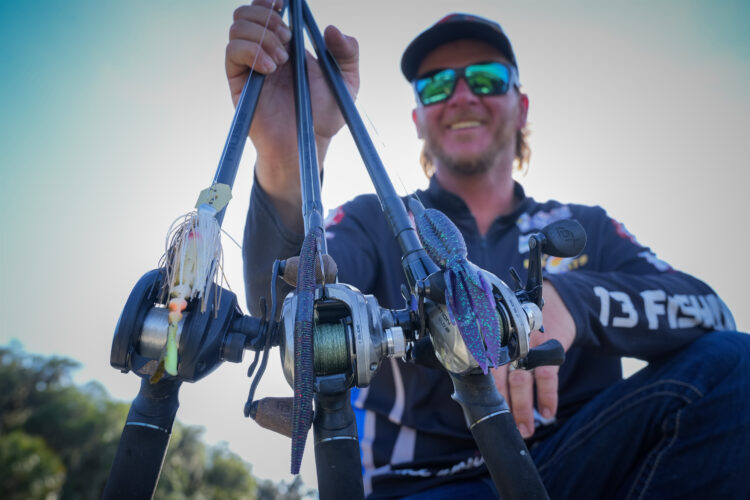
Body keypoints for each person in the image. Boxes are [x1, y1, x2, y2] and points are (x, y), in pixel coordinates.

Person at [226, 1, 750, 498]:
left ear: (521, 107)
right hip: (421, 486)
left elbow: (713, 314)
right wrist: (288, 154)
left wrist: (573, 303)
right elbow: (286, 318)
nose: (461, 96)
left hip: (581, 464)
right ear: (418, 118)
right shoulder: (370, 218)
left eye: (486, 78)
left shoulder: (586, 225)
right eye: (436, 85)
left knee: (733, 366)